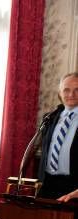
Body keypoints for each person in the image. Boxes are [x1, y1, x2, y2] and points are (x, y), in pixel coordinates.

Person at [37, 72, 78, 200]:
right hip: (47, 185)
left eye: (77, 90)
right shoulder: (50, 118)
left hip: (74, 188)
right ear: (60, 93)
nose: (71, 94)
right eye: (66, 90)